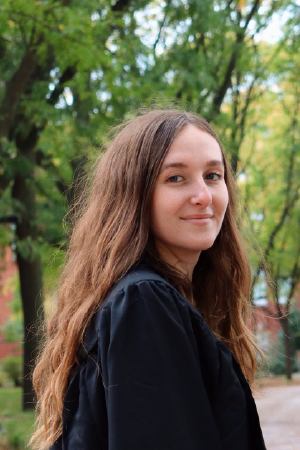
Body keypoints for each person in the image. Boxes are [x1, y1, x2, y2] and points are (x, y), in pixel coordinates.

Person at [30, 109, 266, 450]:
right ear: (134, 195)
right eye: (175, 178)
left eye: (213, 175)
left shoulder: (150, 300)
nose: (203, 195)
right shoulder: (143, 302)